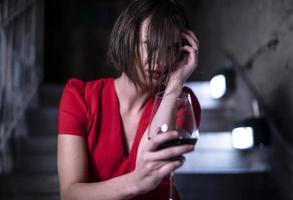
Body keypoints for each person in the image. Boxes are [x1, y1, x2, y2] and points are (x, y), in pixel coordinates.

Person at [57, 0, 201, 199]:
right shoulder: (79, 97)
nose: (161, 60)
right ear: (128, 38)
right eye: (150, 44)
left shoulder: (181, 101)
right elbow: (70, 194)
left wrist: (175, 84)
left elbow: (155, 157)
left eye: (171, 48)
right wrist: (135, 182)